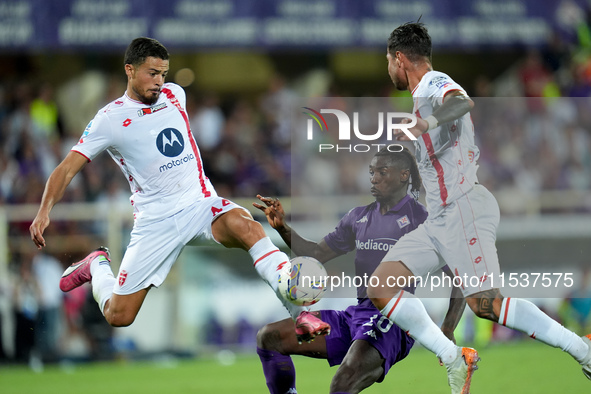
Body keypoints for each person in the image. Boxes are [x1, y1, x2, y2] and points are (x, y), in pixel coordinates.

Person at [28, 37, 329, 340]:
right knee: (119, 316)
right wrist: (43, 212)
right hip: (156, 221)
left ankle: (300, 312)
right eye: (151, 73)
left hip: (199, 204)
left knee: (247, 227)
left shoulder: (175, 95)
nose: (159, 82)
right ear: (129, 70)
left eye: (163, 74)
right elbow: (66, 168)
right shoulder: (109, 119)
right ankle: (97, 265)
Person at [367, 22, 591, 394]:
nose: (387, 69)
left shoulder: (433, 82)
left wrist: (425, 123)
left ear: (399, 58)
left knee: (487, 304)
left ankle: (582, 350)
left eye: (388, 61)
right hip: (438, 218)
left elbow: (462, 101)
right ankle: (454, 357)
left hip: (463, 207)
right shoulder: (419, 96)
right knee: (381, 285)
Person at [254, 147, 466, 394]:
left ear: (403, 175)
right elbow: (317, 254)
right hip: (356, 315)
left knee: (342, 384)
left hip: (392, 322)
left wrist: (448, 328)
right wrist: (282, 227)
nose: (374, 178)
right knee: (268, 338)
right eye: (372, 172)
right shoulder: (358, 218)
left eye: (382, 172)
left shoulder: (422, 220)